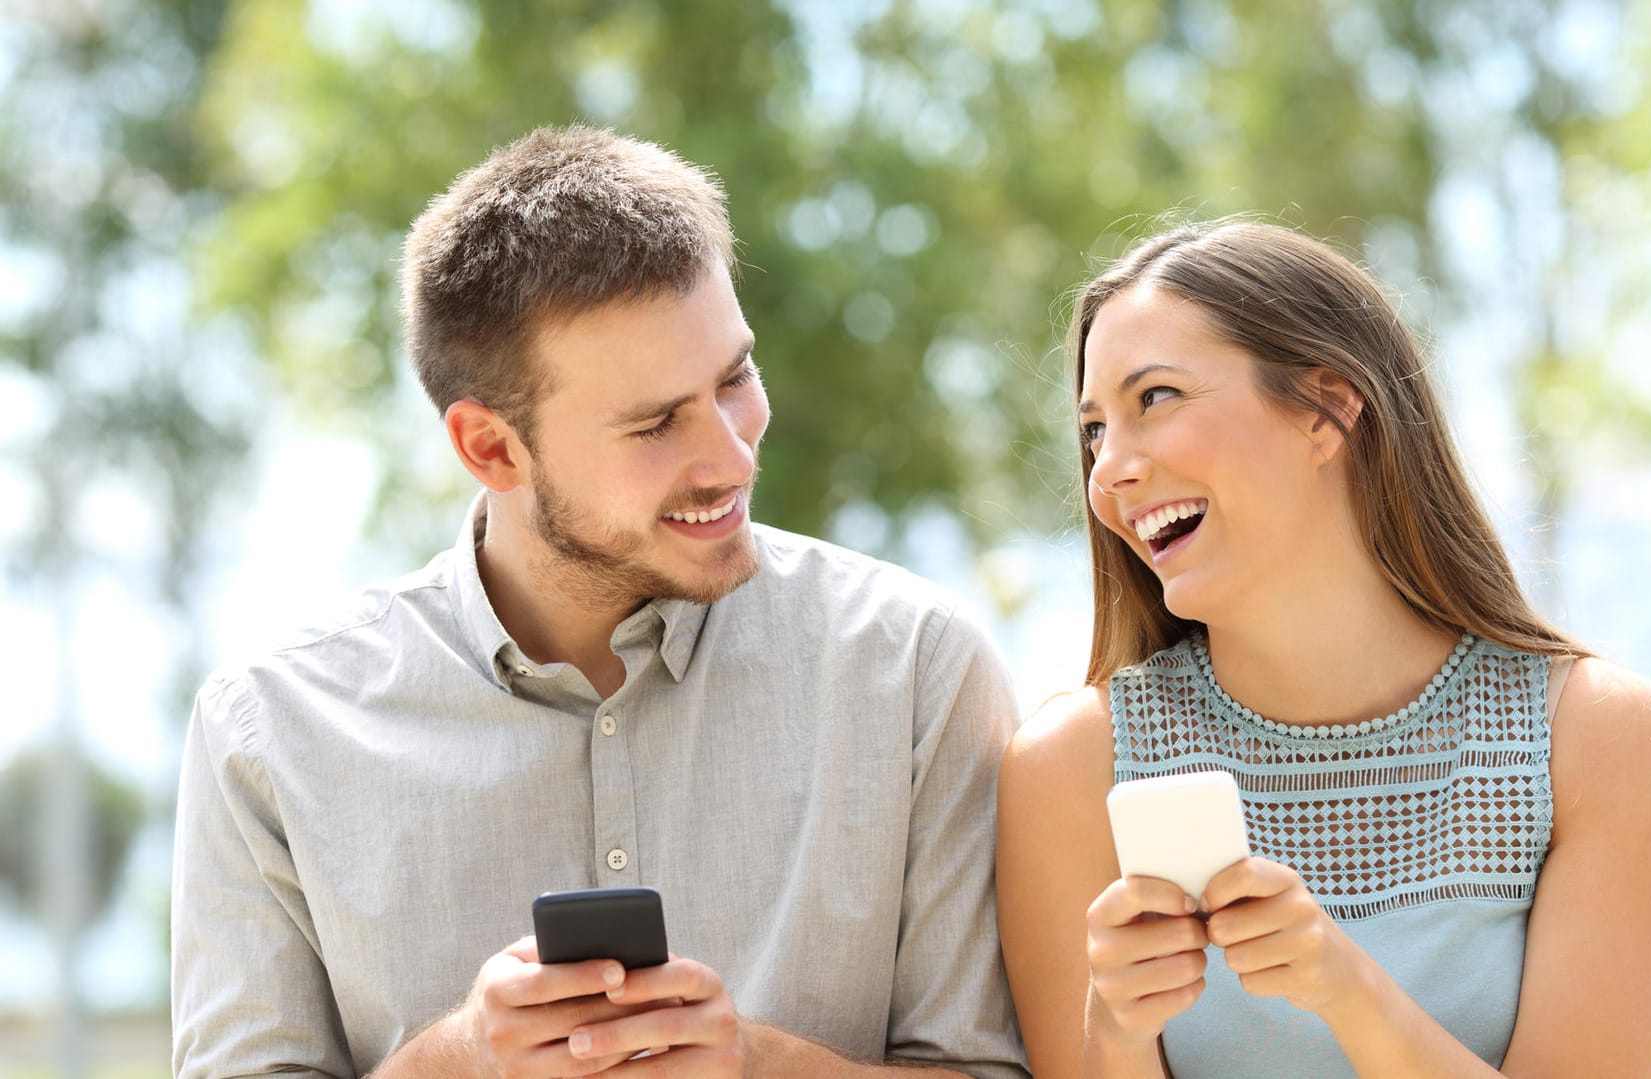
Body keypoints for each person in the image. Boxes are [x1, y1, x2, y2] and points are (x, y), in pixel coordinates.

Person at [171, 126, 1028, 1079]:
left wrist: (750, 1063)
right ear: (491, 448)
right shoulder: (269, 732)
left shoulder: (916, 672)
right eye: (656, 423)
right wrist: (459, 1061)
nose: (733, 456)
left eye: (735, 377)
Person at [996, 220, 1651, 1078]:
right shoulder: (1070, 766)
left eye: (1157, 398)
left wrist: (1348, 989)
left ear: (1326, 409)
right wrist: (1115, 1032)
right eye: (1096, 429)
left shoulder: (1601, 738)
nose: (1109, 471)